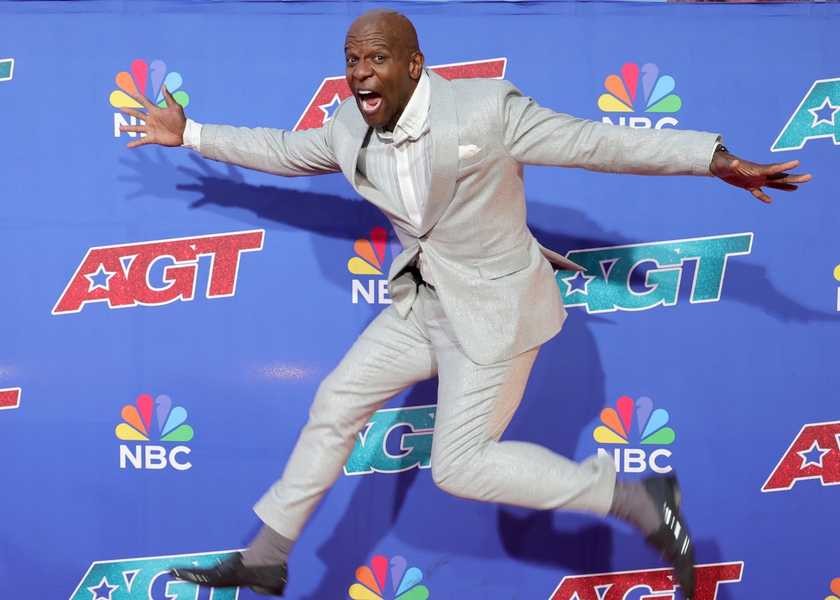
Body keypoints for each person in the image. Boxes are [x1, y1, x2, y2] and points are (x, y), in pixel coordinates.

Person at [118, 9, 810, 599]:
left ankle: (636, 499)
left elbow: (598, 142)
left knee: (459, 466)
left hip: (498, 312)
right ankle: (268, 556)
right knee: (335, 401)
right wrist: (193, 135)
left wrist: (714, 159)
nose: (360, 72)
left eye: (376, 58)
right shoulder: (349, 125)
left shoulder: (486, 110)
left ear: (415, 65)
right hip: (425, 297)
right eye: (353, 59)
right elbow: (285, 150)